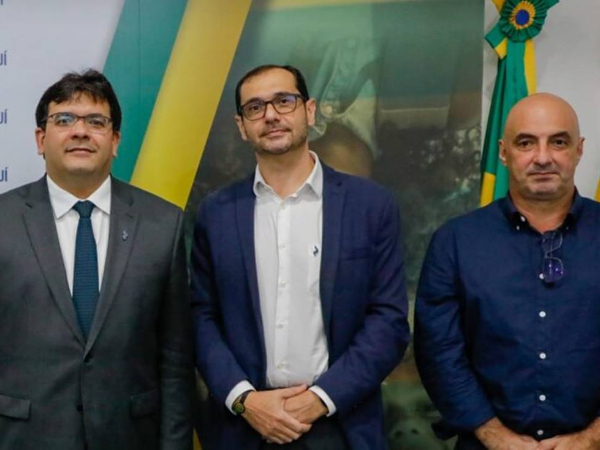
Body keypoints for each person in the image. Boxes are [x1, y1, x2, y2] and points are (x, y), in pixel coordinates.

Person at [191, 64, 409, 450]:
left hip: (339, 426)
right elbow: (201, 318)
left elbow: (388, 321)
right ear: (241, 126)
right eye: (255, 107)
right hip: (245, 429)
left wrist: (319, 400)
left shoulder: (370, 206)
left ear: (309, 110)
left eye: (284, 101)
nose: (270, 115)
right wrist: (244, 399)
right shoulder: (216, 213)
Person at [0, 69, 193, 449]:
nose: (80, 131)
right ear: (41, 139)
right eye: (64, 120)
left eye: (96, 121)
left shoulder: (163, 224)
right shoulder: (4, 220)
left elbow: (175, 360)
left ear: (115, 140)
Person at [415, 93, 600, 450]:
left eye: (558, 142)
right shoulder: (456, 242)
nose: (543, 157)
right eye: (526, 143)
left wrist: (592, 438)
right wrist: (493, 435)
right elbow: (438, 351)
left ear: (579, 150)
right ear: (503, 152)